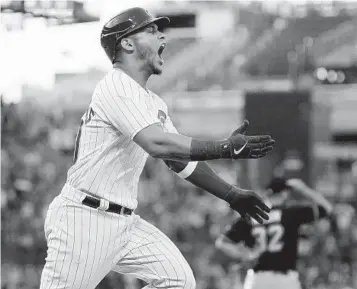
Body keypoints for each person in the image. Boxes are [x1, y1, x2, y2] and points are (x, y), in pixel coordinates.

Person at [39, 7, 275, 289]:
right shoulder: (115, 84)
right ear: (127, 42)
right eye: (150, 30)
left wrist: (231, 193)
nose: (161, 34)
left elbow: (179, 159)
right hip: (84, 219)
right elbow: (156, 143)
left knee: (178, 281)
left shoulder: (153, 102)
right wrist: (225, 148)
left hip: (125, 224)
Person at [215, 174, 334, 289]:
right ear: (285, 193)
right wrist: (303, 188)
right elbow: (327, 207)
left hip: (257, 279)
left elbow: (222, 242)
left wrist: (245, 254)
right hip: (285, 280)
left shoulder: (251, 215)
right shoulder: (291, 214)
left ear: (267, 193)